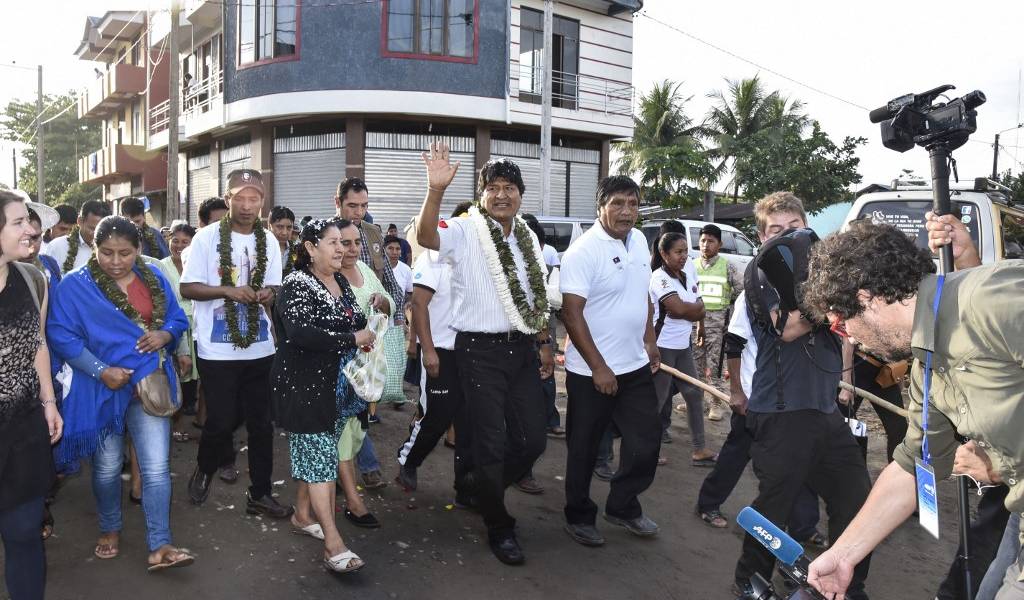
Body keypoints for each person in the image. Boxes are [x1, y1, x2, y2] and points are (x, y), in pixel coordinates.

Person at [803, 220, 1024, 600]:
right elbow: (914, 467)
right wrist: (843, 554)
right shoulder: (926, 365)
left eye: (841, 325)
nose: (850, 338)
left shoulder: (990, 299)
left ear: (867, 297)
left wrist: (999, 466)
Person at [721, 192, 867, 600]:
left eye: (795, 228)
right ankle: (748, 577)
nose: (789, 237)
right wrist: (832, 301)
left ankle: (845, 582)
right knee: (774, 507)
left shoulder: (820, 273)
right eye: (777, 230)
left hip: (824, 410)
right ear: (761, 234)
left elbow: (845, 334)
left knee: (855, 498)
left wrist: (843, 382)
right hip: (781, 413)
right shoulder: (761, 271)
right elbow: (786, 327)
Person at [416, 143, 552, 565]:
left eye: (510, 187)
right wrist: (435, 190)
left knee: (533, 439)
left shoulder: (527, 236)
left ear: (520, 194)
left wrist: (544, 342)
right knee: (491, 441)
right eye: (493, 188)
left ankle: (481, 486)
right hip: (479, 351)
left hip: (522, 349)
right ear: (482, 195)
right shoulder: (464, 228)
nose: (502, 195)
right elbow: (426, 236)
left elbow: (537, 294)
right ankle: (498, 525)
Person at [46, 215, 194, 572]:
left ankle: (160, 544)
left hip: (148, 385)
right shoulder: (74, 285)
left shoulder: (154, 276)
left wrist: (165, 336)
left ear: (139, 249)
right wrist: (101, 370)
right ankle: (109, 528)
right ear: (93, 248)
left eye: (124, 253)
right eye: (106, 252)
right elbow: (61, 335)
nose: (115, 261)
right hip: (100, 389)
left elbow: (176, 318)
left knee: (156, 469)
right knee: (108, 467)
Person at [180, 169, 292, 519]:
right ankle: (204, 467)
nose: (246, 206)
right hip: (216, 348)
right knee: (221, 419)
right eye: (239, 198)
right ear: (227, 199)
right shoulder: (206, 238)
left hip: (260, 346)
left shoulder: (269, 241)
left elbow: (275, 288)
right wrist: (228, 290)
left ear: (262, 200)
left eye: (254, 198)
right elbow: (188, 288)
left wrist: (265, 294)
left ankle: (260, 492)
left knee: (261, 424)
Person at [558, 175, 662, 548]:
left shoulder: (638, 242)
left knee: (646, 441)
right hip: (590, 372)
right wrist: (599, 367)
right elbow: (571, 314)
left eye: (633, 204)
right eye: (617, 203)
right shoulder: (583, 252)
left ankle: (622, 505)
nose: (626, 212)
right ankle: (578, 514)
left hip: (634, 365)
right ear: (600, 206)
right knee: (584, 448)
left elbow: (643, 296)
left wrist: (650, 340)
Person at [272, 218, 375, 574]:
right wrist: (352, 339)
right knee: (319, 462)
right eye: (332, 242)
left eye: (343, 243)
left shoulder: (340, 282)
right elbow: (301, 333)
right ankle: (333, 543)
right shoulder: (296, 284)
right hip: (304, 387)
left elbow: (356, 318)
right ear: (310, 247)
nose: (341, 249)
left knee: (318, 452)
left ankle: (302, 516)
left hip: (336, 388)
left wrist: (367, 326)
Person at [0, 191, 63, 600]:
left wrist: (49, 401)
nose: (32, 229)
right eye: (19, 222)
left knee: (23, 531)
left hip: (23, 428)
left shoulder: (33, 279)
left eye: (31, 221)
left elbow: (38, 342)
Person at [334, 177, 405, 485]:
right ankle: (360, 467)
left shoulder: (374, 235)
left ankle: (348, 469)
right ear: (337, 203)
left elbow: (391, 287)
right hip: (336, 337)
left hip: (370, 339)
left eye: (364, 206)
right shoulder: (322, 235)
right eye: (352, 205)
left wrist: (390, 313)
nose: (358, 212)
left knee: (357, 405)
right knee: (343, 408)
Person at [395, 205, 470, 494]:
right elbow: (418, 305)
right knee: (437, 416)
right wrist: (426, 350)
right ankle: (408, 461)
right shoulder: (433, 259)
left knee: (469, 421)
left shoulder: (476, 259)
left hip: (473, 352)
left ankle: (466, 483)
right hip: (440, 350)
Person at [335, 220, 394, 527]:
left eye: (356, 242)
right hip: (341, 371)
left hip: (368, 371)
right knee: (345, 435)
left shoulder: (366, 272)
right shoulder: (327, 278)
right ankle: (353, 501)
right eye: (344, 243)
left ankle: (329, 482)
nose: (352, 249)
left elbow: (389, 303)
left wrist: (383, 302)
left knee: (358, 432)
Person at [649, 232, 717, 467]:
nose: (683, 256)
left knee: (694, 393)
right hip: (663, 346)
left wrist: (694, 311)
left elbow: (701, 308)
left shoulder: (687, 276)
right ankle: (648, 449)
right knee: (657, 400)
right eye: (678, 252)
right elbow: (677, 309)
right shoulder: (659, 278)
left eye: (686, 251)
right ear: (664, 254)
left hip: (682, 345)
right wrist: (694, 309)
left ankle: (699, 449)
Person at [690, 224, 743, 421]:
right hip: (695, 326)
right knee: (695, 365)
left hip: (719, 327)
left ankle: (716, 403)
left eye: (711, 241)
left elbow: (741, 293)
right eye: (703, 240)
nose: (705, 245)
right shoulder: (691, 266)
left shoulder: (727, 266)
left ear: (719, 244)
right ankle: (696, 403)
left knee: (716, 366)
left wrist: (732, 317)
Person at [157, 223, 200, 438]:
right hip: (174, 327)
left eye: (185, 242)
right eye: (175, 240)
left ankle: (195, 420)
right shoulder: (161, 266)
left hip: (198, 326)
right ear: (168, 240)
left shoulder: (198, 264)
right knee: (175, 378)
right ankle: (174, 426)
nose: (179, 246)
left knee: (195, 379)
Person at [44, 200, 111, 275]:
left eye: (101, 229)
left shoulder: (113, 249)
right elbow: (48, 279)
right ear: (80, 221)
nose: (96, 234)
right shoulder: (57, 246)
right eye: (92, 228)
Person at [23, 206, 62, 288]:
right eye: (23, 237)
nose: (29, 243)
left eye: (35, 237)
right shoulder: (4, 269)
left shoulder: (50, 263)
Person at [269, 206, 297, 276]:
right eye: (280, 227)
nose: (284, 232)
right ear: (270, 226)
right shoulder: (260, 249)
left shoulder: (296, 250)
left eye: (289, 227)